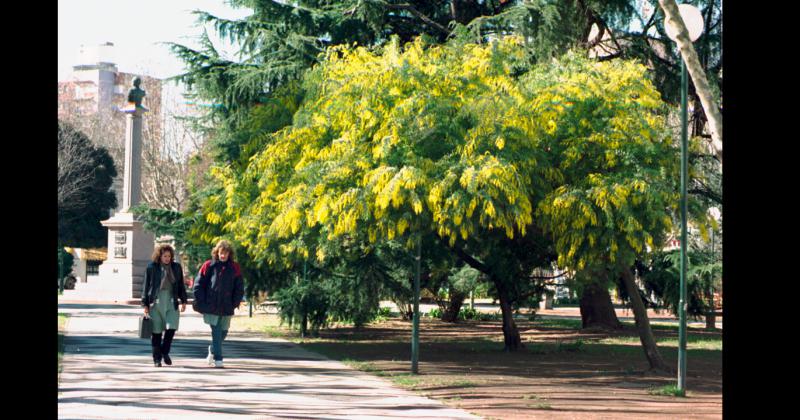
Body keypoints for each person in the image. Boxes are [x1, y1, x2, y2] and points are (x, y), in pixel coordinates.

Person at [193, 240, 244, 368]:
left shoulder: (235, 267)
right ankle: (218, 359)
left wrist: (235, 302)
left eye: (226, 253)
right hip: (211, 305)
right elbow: (198, 285)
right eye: (221, 253)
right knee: (216, 331)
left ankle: (212, 349)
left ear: (229, 254)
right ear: (217, 252)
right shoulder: (208, 265)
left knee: (224, 332)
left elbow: (239, 287)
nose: (223, 256)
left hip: (227, 305)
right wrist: (202, 301)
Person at [142, 244, 187, 367]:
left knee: (171, 328)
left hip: (172, 300)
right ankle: (157, 359)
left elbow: (181, 285)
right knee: (156, 332)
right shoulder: (152, 267)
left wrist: (183, 300)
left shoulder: (176, 267)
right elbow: (146, 286)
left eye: (169, 256)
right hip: (156, 301)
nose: (167, 258)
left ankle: (164, 351)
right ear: (159, 256)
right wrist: (145, 304)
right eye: (165, 256)